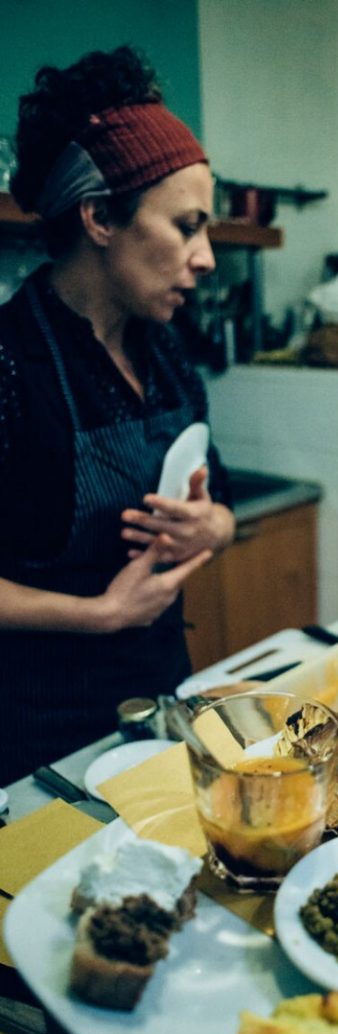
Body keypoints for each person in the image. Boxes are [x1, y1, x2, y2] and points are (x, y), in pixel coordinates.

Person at [0, 45, 236, 784]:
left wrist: (212, 525)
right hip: (37, 737)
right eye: (186, 226)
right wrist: (100, 612)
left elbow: (219, 496)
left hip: (160, 705)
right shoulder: (10, 364)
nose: (206, 259)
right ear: (100, 216)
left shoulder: (164, 350)